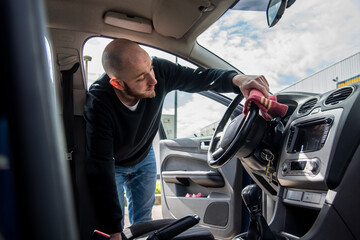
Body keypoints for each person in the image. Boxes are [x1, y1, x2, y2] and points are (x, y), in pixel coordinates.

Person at [84, 38, 270, 240]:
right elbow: (100, 167)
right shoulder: (99, 102)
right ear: (117, 83)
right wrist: (112, 230)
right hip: (114, 165)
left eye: (151, 69)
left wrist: (237, 80)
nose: (153, 80)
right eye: (140, 78)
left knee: (144, 222)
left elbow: (201, 77)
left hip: (144, 157)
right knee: (116, 229)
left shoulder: (160, 71)